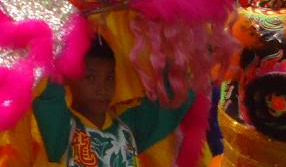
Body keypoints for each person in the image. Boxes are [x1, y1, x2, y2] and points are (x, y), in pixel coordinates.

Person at [18, 38, 195, 166]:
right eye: (91, 78)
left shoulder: (125, 130)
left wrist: (193, 63)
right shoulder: (62, 130)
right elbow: (48, 90)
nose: (102, 88)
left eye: (109, 78)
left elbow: (168, 105)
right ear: (69, 78)